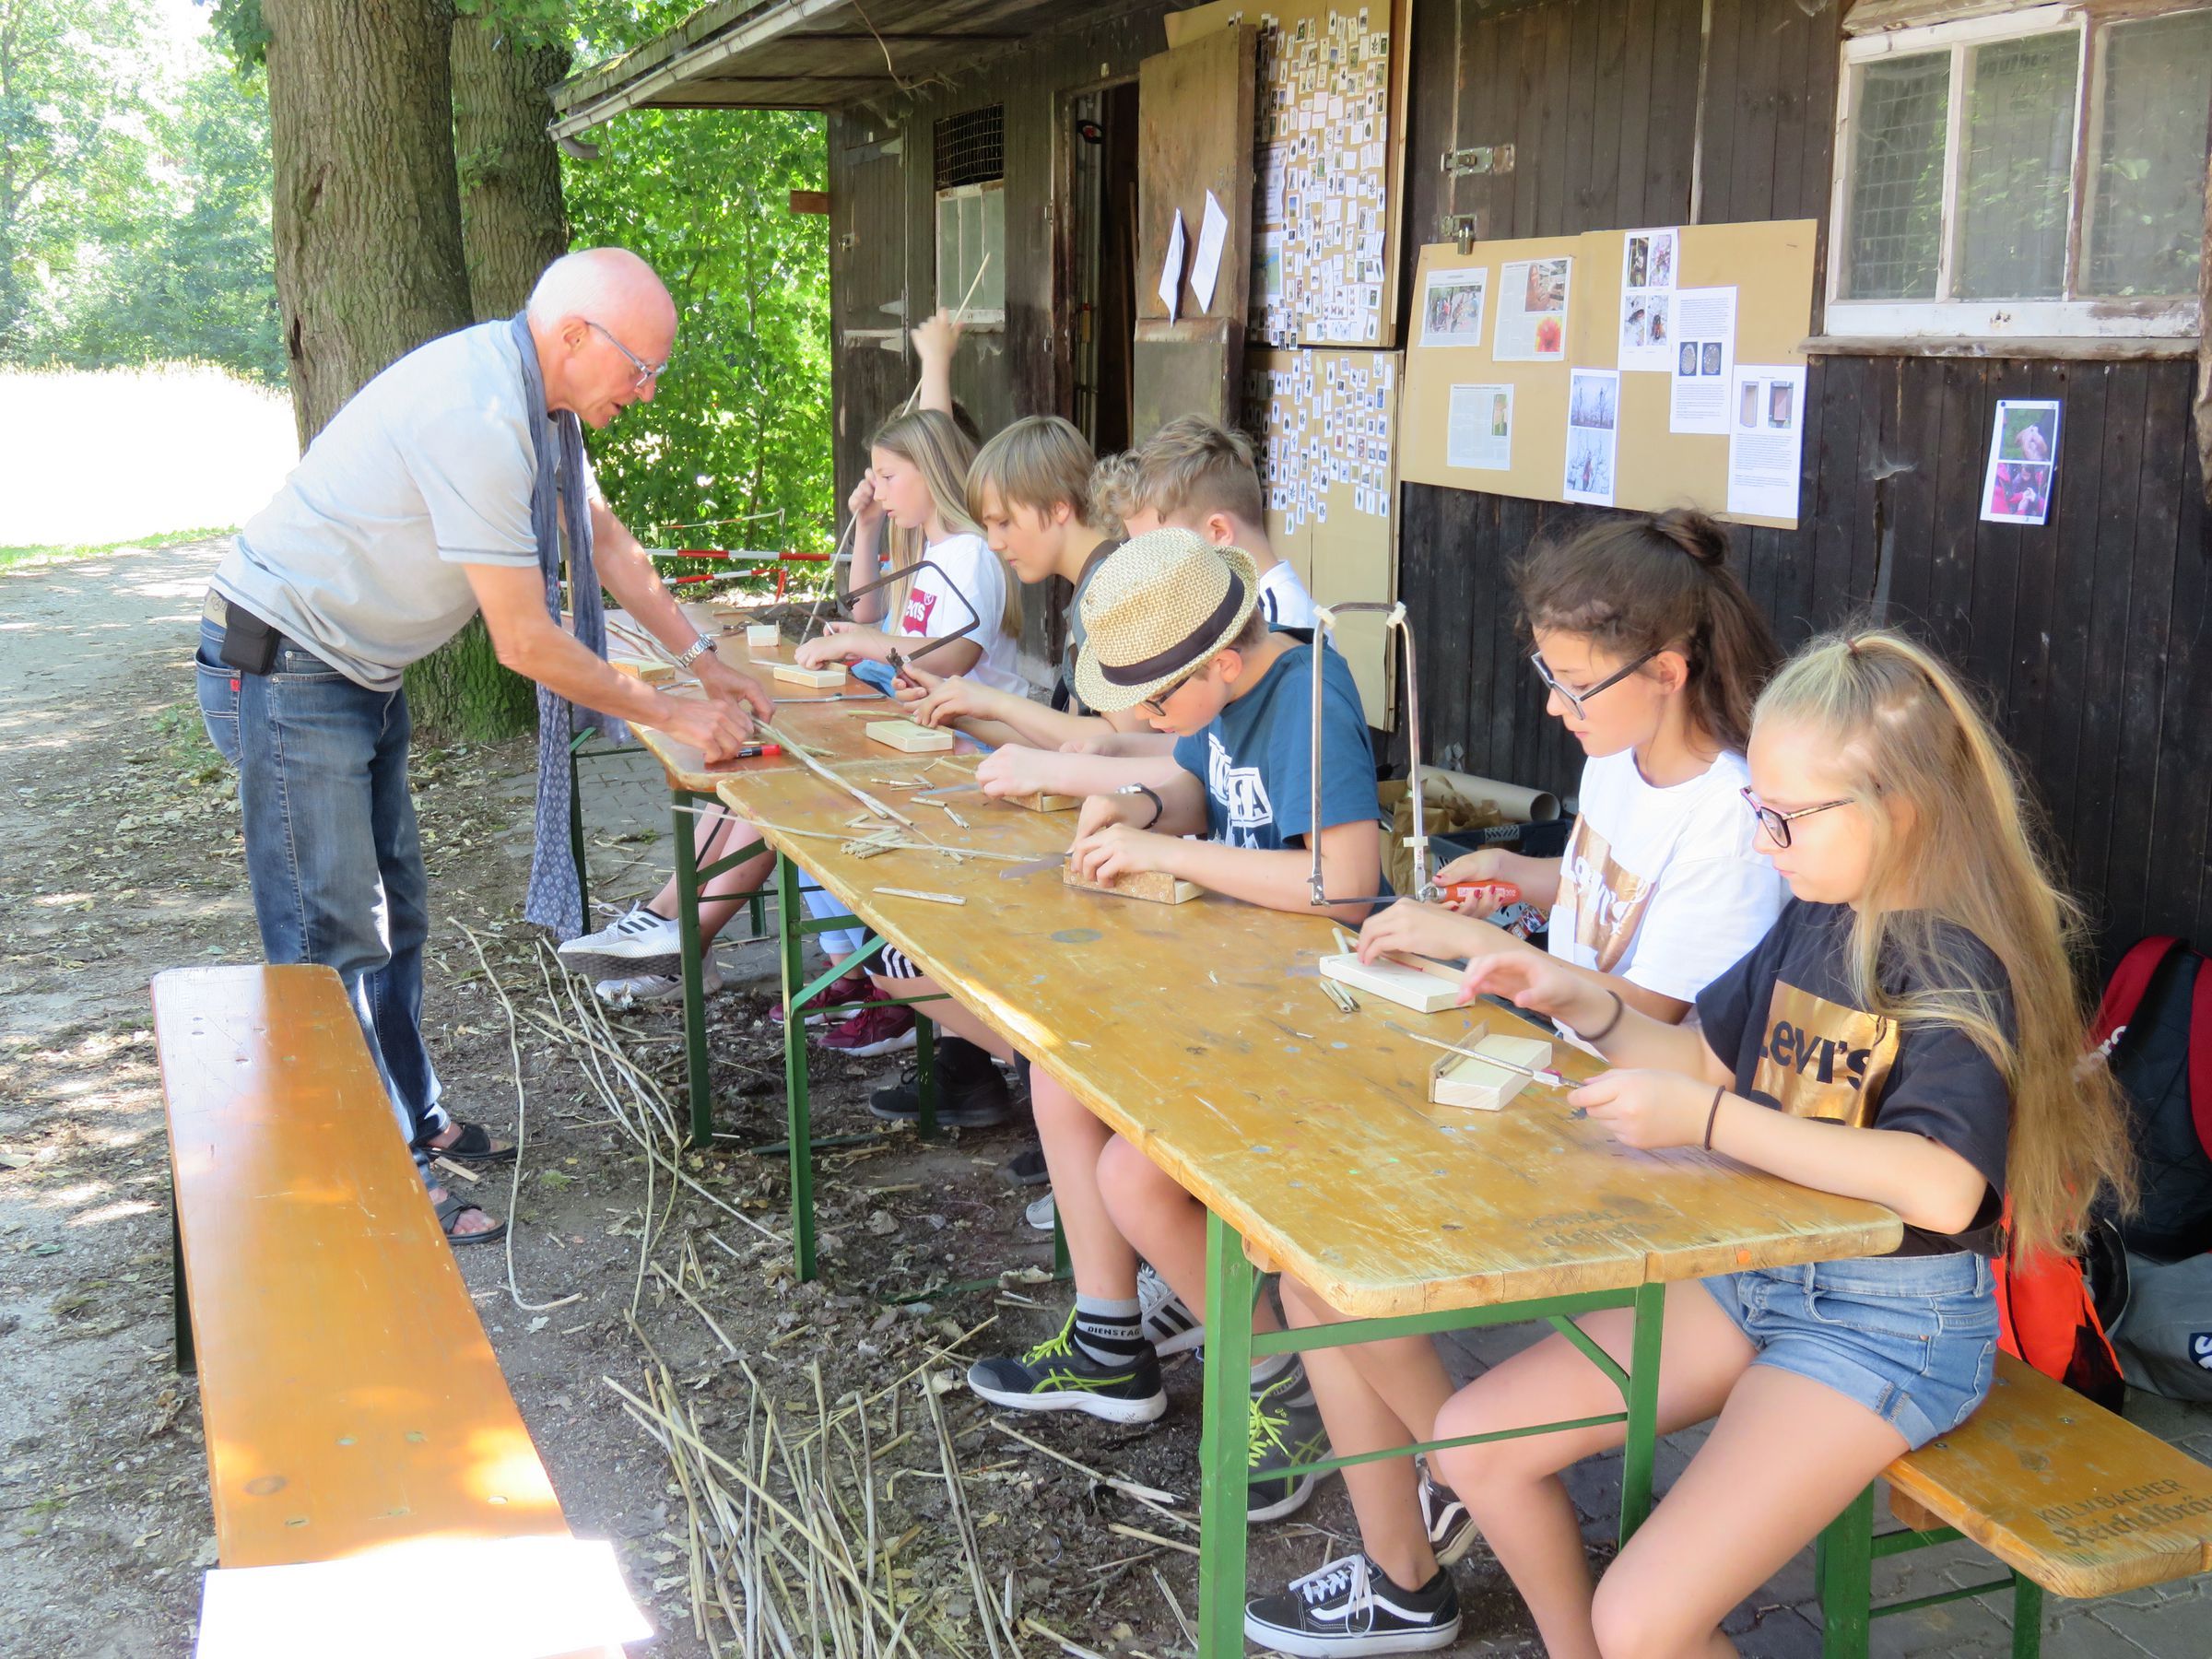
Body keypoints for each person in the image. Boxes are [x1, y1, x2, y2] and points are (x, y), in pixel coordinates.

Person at [1411, 629, 2135, 1659]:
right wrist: (1584, 1004)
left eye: (1784, 820)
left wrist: (1711, 1127)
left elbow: (1938, 1188)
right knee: (1473, 1446)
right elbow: (1698, 1060)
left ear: (1902, 807)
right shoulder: (1818, 912)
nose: (1762, 844)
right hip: (1760, 1271)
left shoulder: (1959, 964)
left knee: (1643, 1618)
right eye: (1760, 811)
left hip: (1887, 1324)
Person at [1242, 508, 1790, 1652]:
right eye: (1551, 673)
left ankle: (1463, 1477)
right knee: (1308, 1276)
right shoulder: (1627, 761)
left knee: (1337, 1275)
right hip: (1556, 1089)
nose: (1553, 703)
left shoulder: (1738, 820)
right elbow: (1600, 909)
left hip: (1652, 1147)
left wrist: (1475, 954)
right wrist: (1518, 876)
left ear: (1670, 670)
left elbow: (1655, 1025)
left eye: (1573, 681)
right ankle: (1423, 1540)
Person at [194, 248, 772, 1244]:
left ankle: (412, 1119)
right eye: (641, 366)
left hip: (353, 673)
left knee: (398, 914)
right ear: (575, 337)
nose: (647, 389)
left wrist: (703, 657)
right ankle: (370, 1175)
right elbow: (526, 642)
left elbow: (604, 540)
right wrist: (679, 714)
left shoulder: (537, 403)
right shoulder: (479, 415)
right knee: (328, 940)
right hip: (286, 671)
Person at [964, 527, 1384, 1524]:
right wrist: (1136, 805)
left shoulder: (1310, 695)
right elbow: (1199, 778)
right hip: (1239, 991)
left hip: (1329, 1018)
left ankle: (1280, 1387)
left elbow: (1345, 884)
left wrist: (1184, 860)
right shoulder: (1227, 693)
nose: (1144, 718)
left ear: (1225, 663)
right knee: (1061, 1068)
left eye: (1151, 703)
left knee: (1132, 1174)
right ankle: (1111, 1342)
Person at [559, 406, 1027, 1065]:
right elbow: (867, 611)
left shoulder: (970, 554)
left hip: (966, 752)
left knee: (789, 796)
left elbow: (948, 659)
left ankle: (697, 945)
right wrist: (866, 529)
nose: (879, 489)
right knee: (761, 771)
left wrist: (868, 645)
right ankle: (669, 926)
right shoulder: (932, 551)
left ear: (931, 472)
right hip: (914, 733)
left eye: (889, 478)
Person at [1120, 417, 1315, 629]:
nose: (1152, 573)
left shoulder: (1277, 624)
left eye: (1161, 552)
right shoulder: (1241, 608)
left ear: (1219, 531)